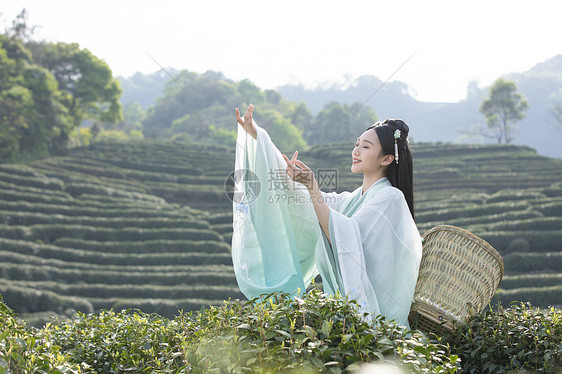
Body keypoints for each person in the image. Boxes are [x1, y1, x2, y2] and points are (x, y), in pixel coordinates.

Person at [231, 104, 422, 327]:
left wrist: (311, 186)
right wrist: (260, 138)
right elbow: (307, 203)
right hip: (344, 317)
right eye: (356, 144)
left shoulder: (391, 198)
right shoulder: (352, 199)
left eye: (366, 147)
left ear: (386, 159)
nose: (356, 151)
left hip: (377, 319)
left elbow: (344, 238)